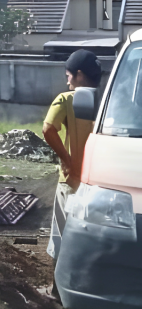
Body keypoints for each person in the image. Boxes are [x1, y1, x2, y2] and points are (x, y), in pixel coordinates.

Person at [43, 49, 102, 261]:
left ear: (79, 74)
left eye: (69, 75)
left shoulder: (67, 99)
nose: (67, 80)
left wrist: (66, 161)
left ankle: (57, 291)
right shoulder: (109, 100)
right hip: (102, 187)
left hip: (72, 183)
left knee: (62, 240)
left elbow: (48, 129)